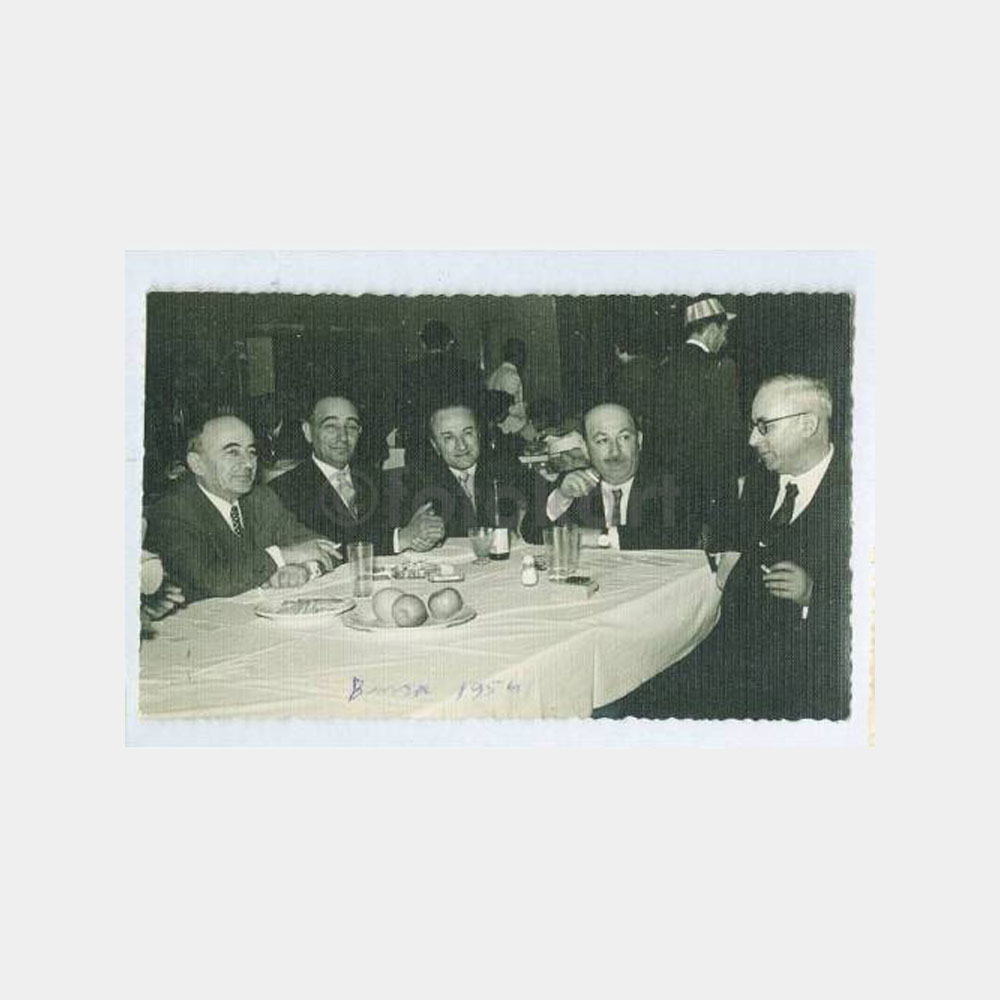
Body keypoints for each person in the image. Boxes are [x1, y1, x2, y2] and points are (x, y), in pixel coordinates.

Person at [602, 374, 850, 721]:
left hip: (812, 673)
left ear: (808, 425)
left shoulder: (859, 492)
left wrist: (813, 594)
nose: (752, 439)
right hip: (738, 655)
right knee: (635, 701)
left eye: (764, 427)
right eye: (753, 426)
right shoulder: (761, 479)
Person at [145, 415, 341, 601]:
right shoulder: (171, 511)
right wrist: (282, 556)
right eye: (232, 452)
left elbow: (324, 548)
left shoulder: (260, 498)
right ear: (197, 464)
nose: (248, 463)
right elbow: (213, 580)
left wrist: (304, 568)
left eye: (252, 452)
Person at [270, 394, 445, 555]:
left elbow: (402, 525)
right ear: (308, 431)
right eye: (331, 426)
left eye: (351, 427)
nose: (343, 437)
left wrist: (425, 531)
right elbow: (327, 547)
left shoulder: (375, 478)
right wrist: (400, 539)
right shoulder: (284, 490)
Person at [523, 402, 689, 550]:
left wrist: (598, 538)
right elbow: (532, 533)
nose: (615, 451)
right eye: (602, 440)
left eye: (624, 438)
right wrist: (562, 497)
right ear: (585, 448)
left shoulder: (670, 481)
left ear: (639, 441)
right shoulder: (577, 482)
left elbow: (678, 536)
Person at [652, 295, 747, 546]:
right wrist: (740, 473)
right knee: (719, 548)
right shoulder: (721, 367)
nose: (725, 338)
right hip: (715, 483)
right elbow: (729, 428)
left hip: (674, 483)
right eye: (724, 331)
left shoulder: (664, 367)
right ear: (712, 328)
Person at [403, 402, 526, 540]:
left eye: (467, 433)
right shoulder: (419, 479)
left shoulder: (506, 467)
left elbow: (542, 506)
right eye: (448, 438)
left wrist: (524, 524)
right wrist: (411, 533)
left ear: (478, 434)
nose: (461, 446)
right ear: (435, 445)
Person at [393, 319, 486, 466]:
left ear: (422, 344)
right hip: (461, 446)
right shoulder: (469, 370)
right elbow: (481, 411)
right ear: (450, 343)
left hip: (420, 448)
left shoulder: (408, 372)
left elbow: (401, 412)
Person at [487, 337, 536, 446]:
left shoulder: (495, 374)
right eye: (523, 353)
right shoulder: (512, 376)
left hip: (501, 431)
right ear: (519, 355)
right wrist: (525, 407)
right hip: (512, 432)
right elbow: (505, 408)